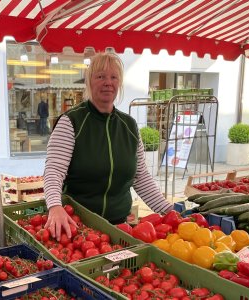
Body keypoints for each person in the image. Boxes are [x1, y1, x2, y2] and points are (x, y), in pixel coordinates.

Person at [43, 52, 172, 239]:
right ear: (89, 81)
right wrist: (55, 206)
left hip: (120, 227)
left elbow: (141, 177)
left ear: (119, 82)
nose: (108, 82)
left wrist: (169, 212)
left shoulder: (129, 126)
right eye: (100, 76)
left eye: (113, 77)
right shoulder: (71, 122)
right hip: (78, 231)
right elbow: (54, 171)